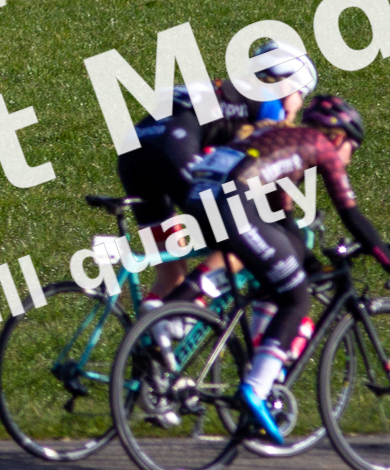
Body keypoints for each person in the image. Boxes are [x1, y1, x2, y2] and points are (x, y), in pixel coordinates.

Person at [186, 92, 390, 445]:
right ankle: (256, 389)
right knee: (297, 299)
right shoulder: (322, 146)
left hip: (202, 189)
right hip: (228, 198)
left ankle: (171, 316)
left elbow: (283, 218)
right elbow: (351, 216)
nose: (350, 157)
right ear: (339, 136)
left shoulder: (285, 142)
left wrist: (311, 263)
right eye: (353, 146)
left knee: (278, 263)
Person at [116, 39, 314, 303]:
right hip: (173, 149)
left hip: (136, 149)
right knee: (242, 238)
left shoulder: (233, 90)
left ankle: (148, 338)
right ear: (289, 85)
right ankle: (184, 308)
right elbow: (267, 180)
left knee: (171, 271)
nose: (297, 108)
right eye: (302, 95)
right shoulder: (270, 100)